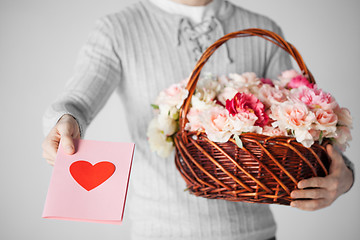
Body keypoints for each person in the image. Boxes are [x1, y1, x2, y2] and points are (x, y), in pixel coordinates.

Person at [41, 0, 354, 239]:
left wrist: (344, 176)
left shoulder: (262, 29)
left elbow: (305, 125)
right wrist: (64, 122)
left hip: (253, 233)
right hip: (159, 232)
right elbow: (78, 101)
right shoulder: (118, 29)